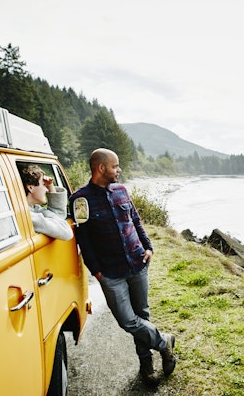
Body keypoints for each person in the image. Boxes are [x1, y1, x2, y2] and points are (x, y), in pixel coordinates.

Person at [71, 148, 176, 384]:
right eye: (115, 166)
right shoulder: (80, 200)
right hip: (110, 272)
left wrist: (148, 247)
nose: (119, 170)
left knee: (142, 315)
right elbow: (84, 240)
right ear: (101, 168)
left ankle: (146, 367)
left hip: (138, 263)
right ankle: (164, 341)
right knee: (128, 321)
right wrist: (96, 271)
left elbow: (136, 220)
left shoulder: (121, 190)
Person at [20, 164, 73, 241]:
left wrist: (51, 187)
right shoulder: (30, 217)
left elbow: (59, 216)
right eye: (44, 185)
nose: (47, 190)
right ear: (30, 187)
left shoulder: (35, 209)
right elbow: (66, 232)